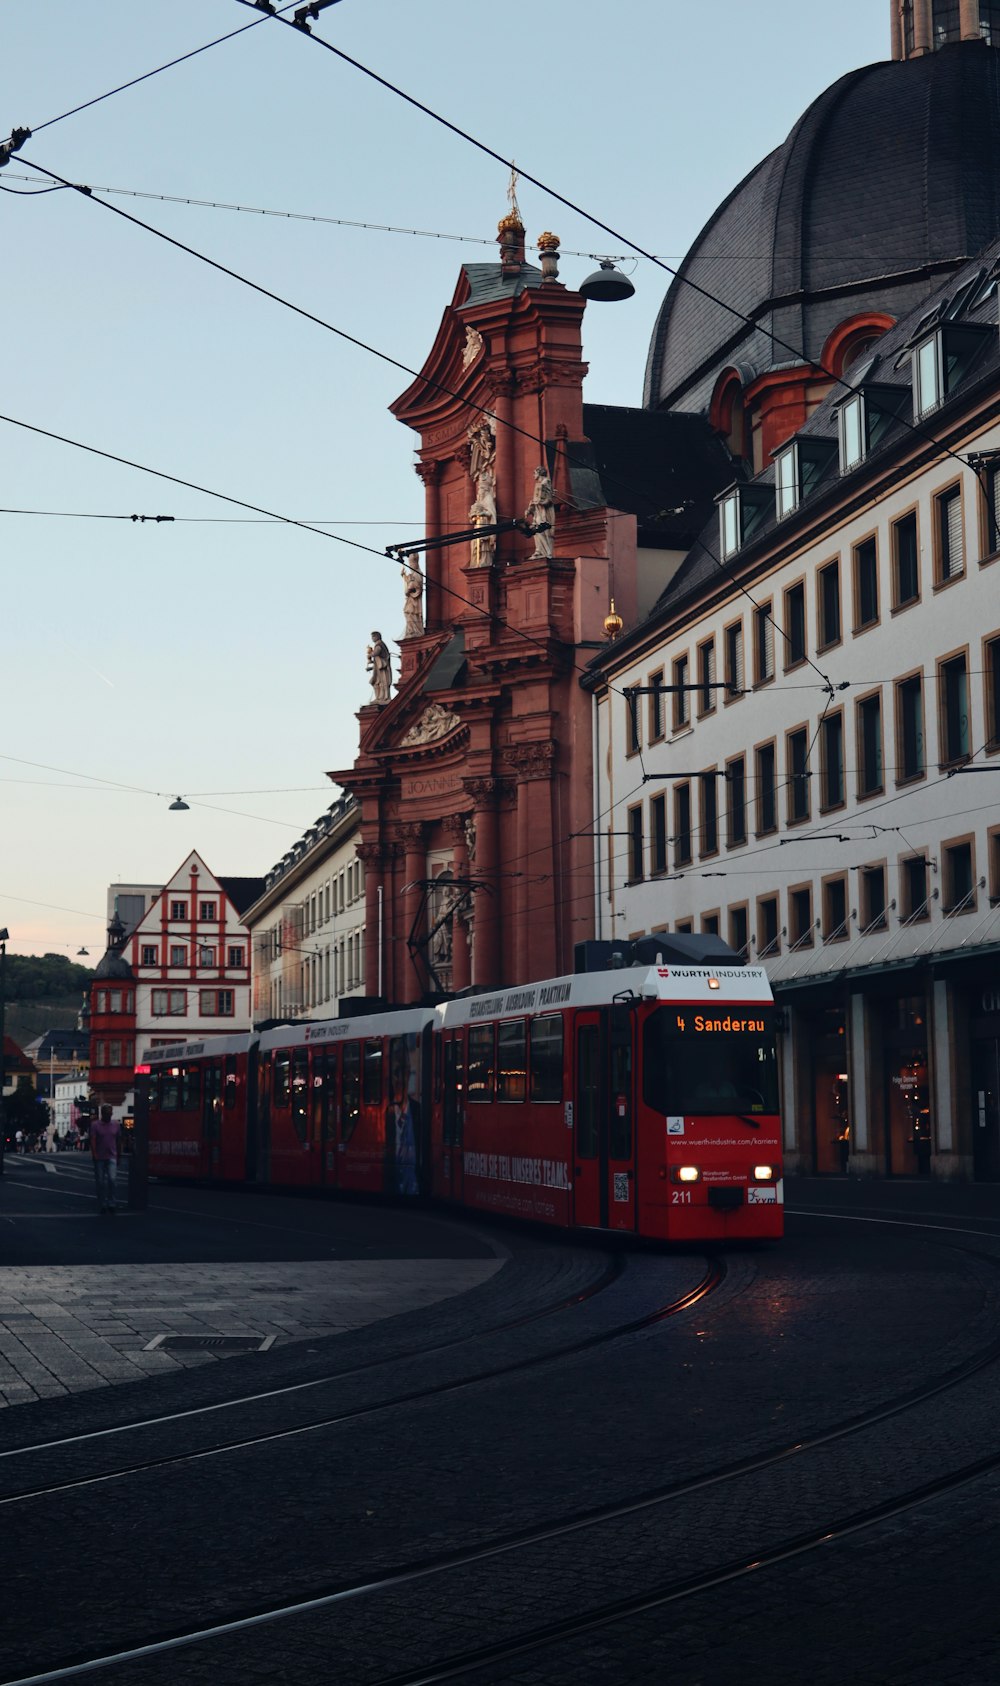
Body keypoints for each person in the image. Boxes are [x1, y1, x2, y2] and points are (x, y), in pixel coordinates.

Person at [90, 1104, 122, 1214]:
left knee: (112, 1180)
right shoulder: (95, 1125)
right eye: (107, 1114)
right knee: (100, 1182)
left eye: (110, 1113)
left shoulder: (116, 1125)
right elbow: (93, 1140)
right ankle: (102, 1203)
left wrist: (119, 1155)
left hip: (112, 1155)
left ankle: (112, 1202)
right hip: (99, 1156)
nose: (109, 1116)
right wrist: (94, 1154)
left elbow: (118, 1141)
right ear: (102, 1114)